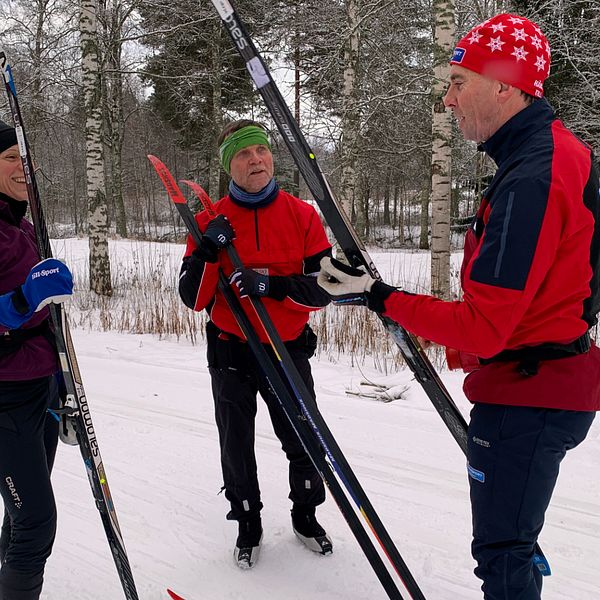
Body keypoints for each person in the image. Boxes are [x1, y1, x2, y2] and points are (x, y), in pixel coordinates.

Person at [318, 13, 600, 600]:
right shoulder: (557, 153)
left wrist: (379, 296)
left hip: (530, 395)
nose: (448, 100)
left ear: (504, 85)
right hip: (543, 381)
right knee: (512, 541)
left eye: (457, 82)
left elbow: (485, 326)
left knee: (502, 556)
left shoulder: (534, 177)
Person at [178, 119, 333, 569]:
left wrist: (273, 285)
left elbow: (324, 288)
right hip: (231, 349)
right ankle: (248, 522)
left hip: (287, 349)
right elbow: (194, 298)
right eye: (245, 155)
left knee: (304, 436)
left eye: (261, 151)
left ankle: (305, 515)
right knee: (236, 444)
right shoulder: (211, 219)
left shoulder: (302, 215)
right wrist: (209, 250)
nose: (257, 160)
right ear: (230, 165)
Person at [0, 120, 74, 600]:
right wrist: (24, 300)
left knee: (21, 511)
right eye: (10, 158)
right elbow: (19, 306)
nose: (21, 168)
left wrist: (64, 388)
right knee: (35, 521)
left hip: (40, 386)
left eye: (24, 159)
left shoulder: (22, 226)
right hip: (5, 397)